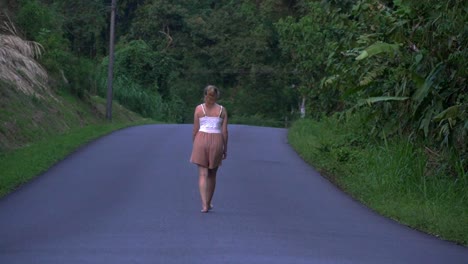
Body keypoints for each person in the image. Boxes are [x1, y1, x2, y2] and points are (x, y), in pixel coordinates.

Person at [190, 85, 228, 213]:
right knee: (212, 175)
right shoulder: (222, 110)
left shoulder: (199, 109)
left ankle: (204, 205)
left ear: (205, 95)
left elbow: (195, 129)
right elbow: (224, 132)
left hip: (200, 140)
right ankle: (209, 202)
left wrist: (194, 143)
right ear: (217, 96)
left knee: (202, 174)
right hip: (217, 141)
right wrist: (225, 148)